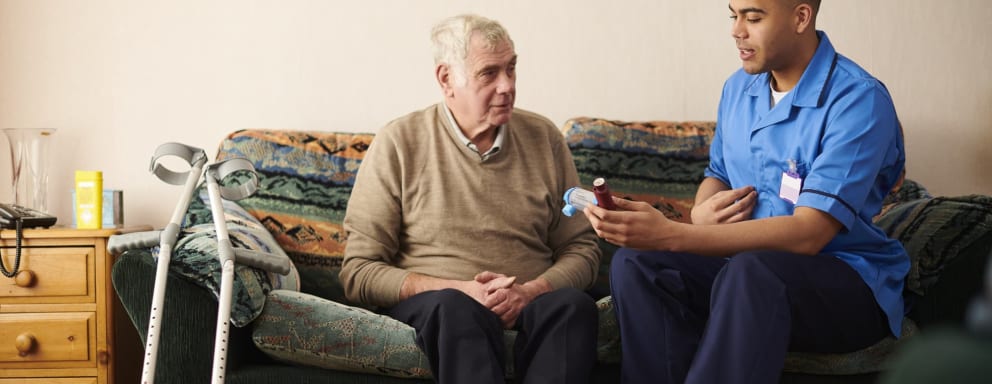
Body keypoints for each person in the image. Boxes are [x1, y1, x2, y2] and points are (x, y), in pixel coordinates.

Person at [583, 0, 908, 383]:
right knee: (637, 263)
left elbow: (810, 233)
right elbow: (718, 172)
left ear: (801, 17)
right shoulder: (738, 88)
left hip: (846, 287)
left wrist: (677, 233)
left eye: (753, 17)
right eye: (733, 15)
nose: (737, 30)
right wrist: (702, 211)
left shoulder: (858, 100)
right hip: (742, 276)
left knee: (752, 270)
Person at [339, 14, 601, 384]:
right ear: (446, 79)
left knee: (573, 306)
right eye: (489, 74)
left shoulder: (544, 138)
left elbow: (582, 249)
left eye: (511, 69)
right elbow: (359, 272)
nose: (507, 85)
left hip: (531, 298)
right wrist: (458, 288)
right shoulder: (399, 142)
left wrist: (531, 291)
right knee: (456, 308)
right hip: (440, 305)